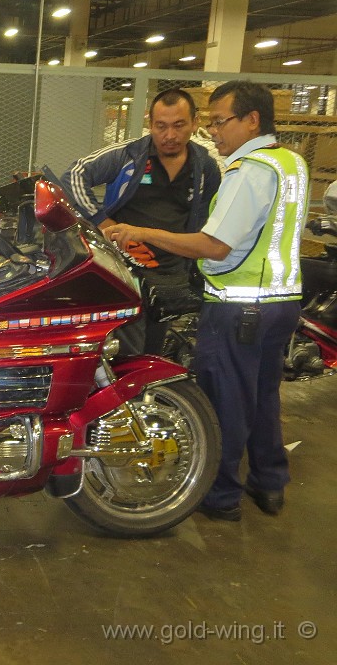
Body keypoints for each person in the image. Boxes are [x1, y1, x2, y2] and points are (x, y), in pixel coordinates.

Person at [103, 81, 310, 522]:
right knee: (262, 397)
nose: (213, 133)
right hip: (281, 302)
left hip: (239, 309)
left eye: (221, 122)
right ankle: (270, 483)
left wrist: (142, 232)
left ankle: (220, 497)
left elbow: (214, 246)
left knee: (226, 402)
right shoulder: (290, 163)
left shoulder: (248, 171)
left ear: (252, 120)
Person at [61, 88, 221, 353]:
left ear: (195, 123)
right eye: (161, 126)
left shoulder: (205, 167)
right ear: (150, 124)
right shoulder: (130, 156)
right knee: (120, 348)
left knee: (151, 349)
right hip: (124, 270)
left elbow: (205, 217)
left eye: (179, 125)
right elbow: (75, 174)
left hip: (169, 274)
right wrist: (103, 221)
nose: (169, 135)